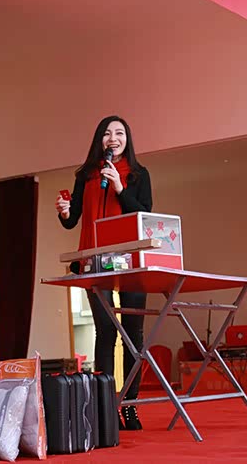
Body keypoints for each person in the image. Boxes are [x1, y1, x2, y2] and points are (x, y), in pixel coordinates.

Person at [56, 115, 152, 431]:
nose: (113, 138)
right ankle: (107, 406)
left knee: (133, 334)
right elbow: (73, 219)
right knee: (105, 330)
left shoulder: (139, 174)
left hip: (130, 260)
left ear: (127, 139)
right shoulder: (86, 175)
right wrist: (65, 212)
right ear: (100, 140)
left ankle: (131, 405)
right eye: (107, 133)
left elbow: (145, 214)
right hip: (95, 259)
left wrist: (120, 188)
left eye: (119, 133)